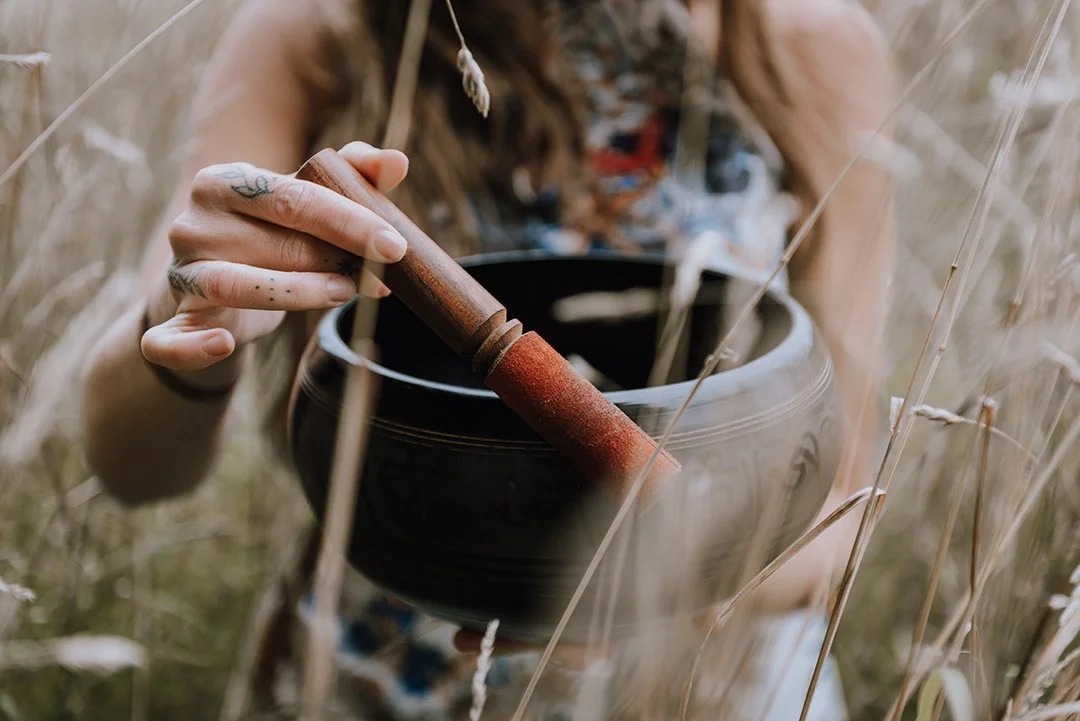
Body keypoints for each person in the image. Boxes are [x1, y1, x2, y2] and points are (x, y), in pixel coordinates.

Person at [80, 0, 896, 718]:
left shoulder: (812, 44)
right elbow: (134, 471)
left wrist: (682, 584)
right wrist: (192, 332)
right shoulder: (322, 29)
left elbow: (846, 491)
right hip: (391, 682)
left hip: (716, 691)